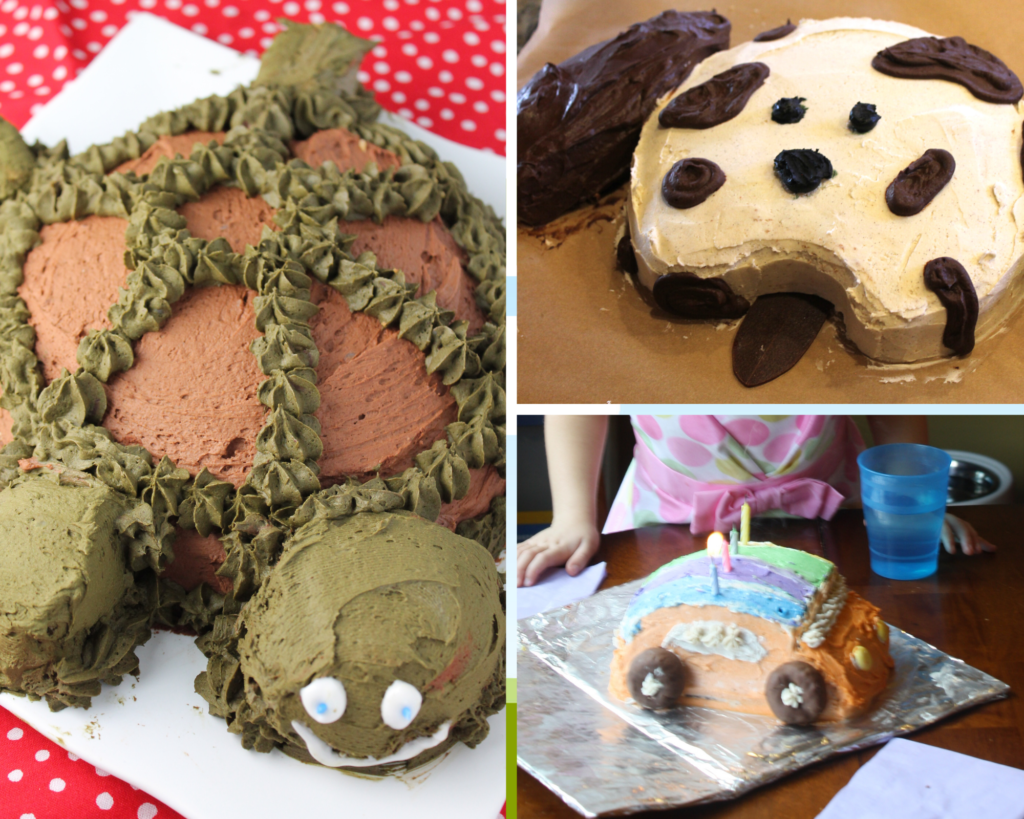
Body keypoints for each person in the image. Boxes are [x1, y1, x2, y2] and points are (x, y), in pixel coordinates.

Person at [517, 415, 995, 587]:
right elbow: (577, 401)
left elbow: (892, 403)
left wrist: (908, 503)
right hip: (662, 527)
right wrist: (572, 517)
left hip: (839, 526)